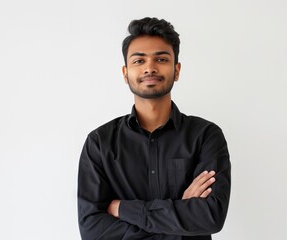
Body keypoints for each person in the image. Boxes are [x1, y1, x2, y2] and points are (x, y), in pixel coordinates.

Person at [77, 17, 231, 240]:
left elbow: (210, 217)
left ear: (176, 70)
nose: (150, 68)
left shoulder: (206, 136)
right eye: (139, 61)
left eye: (161, 59)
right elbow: (92, 231)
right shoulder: (100, 142)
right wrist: (180, 216)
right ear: (125, 72)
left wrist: (123, 209)